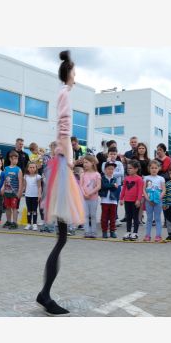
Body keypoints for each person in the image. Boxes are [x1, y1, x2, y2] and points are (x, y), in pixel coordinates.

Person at [36, 51, 87, 315]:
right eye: (74, 73)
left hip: (60, 164)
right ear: (68, 73)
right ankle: (45, 294)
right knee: (62, 238)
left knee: (62, 237)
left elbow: (62, 132)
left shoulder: (61, 93)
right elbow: (64, 131)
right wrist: (68, 160)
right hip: (62, 167)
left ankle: (45, 293)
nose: (76, 78)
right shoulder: (65, 94)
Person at [141, 159, 165, 243]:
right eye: (152, 168)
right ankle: (147, 235)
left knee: (158, 218)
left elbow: (163, 190)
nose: (154, 169)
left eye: (155, 168)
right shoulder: (146, 178)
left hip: (158, 201)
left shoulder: (161, 178)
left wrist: (159, 198)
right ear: (149, 169)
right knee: (149, 219)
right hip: (149, 201)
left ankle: (158, 236)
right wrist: (148, 199)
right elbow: (144, 189)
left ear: (159, 168)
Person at [79, 156, 101, 239]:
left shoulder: (97, 174)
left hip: (93, 198)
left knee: (93, 215)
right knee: (86, 215)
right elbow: (81, 185)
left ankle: (93, 232)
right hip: (84, 198)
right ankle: (87, 231)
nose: (85, 164)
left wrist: (90, 194)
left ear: (92, 163)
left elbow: (98, 186)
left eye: (86, 162)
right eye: (84, 162)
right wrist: (84, 194)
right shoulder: (83, 174)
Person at [121, 160, 144, 241]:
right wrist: (121, 198)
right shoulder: (126, 178)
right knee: (128, 216)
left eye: (130, 168)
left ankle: (135, 233)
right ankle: (128, 232)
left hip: (135, 201)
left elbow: (140, 190)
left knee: (135, 217)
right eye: (128, 168)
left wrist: (138, 200)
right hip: (127, 200)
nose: (128, 169)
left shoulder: (139, 179)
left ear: (136, 169)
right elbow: (123, 189)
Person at [99, 160, 121, 239]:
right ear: (105, 170)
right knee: (104, 217)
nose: (110, 171)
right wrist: (112, 185)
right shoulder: (102, 178)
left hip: (113, 200)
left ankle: (112, 231)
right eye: (109, 169)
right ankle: (104, 231)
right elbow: (103, 186)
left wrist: (111, 186)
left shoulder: (114, 178)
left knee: (113, 217)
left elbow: (115, 188)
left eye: (112, 169)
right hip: (105, 200)